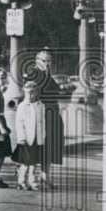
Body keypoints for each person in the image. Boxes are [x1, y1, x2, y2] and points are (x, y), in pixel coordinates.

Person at [27, 49, 64, 188]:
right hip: (39, 114)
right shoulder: (34, 75)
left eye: (49, 61)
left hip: (52, 114)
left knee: (49, 147)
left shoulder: (49, 75)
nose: (47, 63)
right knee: (36, 146)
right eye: (44, 61)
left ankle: (45, 177)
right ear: (37, 61)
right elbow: (30, 97)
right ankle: (31, 177)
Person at [12, 81, 46, 191]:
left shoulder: (41, 105)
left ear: (36, 93)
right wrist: (21, 137)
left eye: (32, 93)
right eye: (27, 94)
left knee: (34, 161)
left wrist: (43, 135)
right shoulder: (22, 106)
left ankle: (32, 180)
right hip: (27, 138)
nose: (30, 96)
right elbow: (19, 122)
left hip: (38, 138)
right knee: (27, 161)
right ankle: (21, 181)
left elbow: (43, 121)